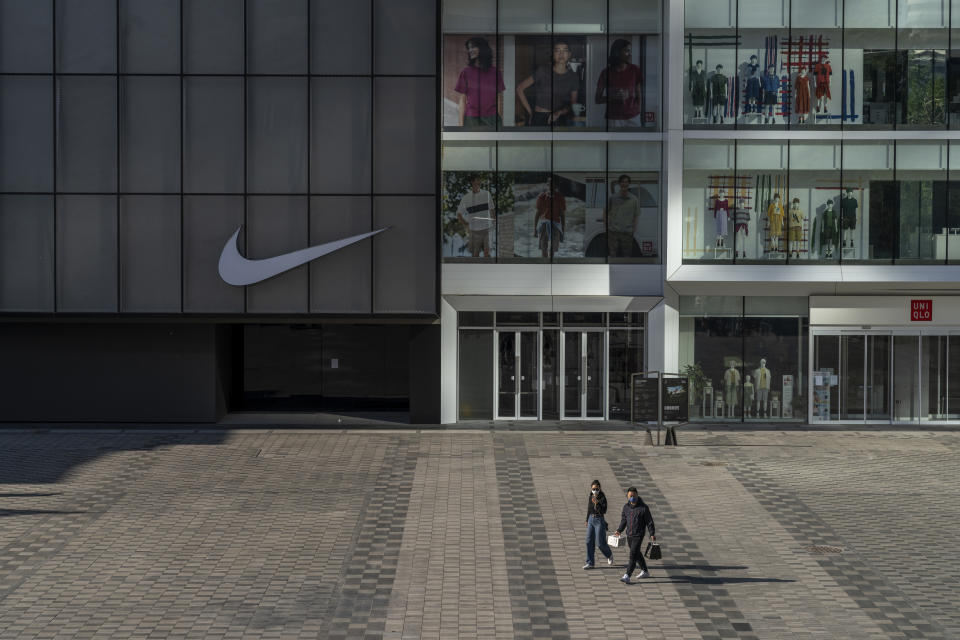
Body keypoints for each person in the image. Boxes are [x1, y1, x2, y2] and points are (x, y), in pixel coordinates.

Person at [517, 41, 579, 126]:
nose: (561, 54)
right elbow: (520, 88)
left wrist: (560, 112)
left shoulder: (573, 77)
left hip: (559, 118)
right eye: (557, 50)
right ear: (553, 54)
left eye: (564, 50)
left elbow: (573, 103)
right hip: (539, 118)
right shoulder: (543, 71)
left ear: (569, 54)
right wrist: (530, 112)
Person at [454, 37, 505, 128]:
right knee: (473, 143)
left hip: (492, 118)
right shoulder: (465, 72)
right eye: (469, 48)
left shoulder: (495, 72)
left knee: (492, 142)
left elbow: (499, 98)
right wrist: (461, 125)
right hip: (471, 118)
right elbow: (462, 99)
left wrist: (500, 118)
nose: (470, 50)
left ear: (482, 48)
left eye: (473, 47)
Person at [595, 39, 644, 128]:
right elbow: (597, 99)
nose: (630, 54)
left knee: (635, 141)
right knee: (614, 142)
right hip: (614, 118)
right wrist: (613, 97)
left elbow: (639, 94)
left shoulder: (634, 70)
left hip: (633, 117)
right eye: (627, 51)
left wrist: (638, 111)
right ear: (617, 52)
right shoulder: (606, 73)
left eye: (630, 51)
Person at [613, 487, 656, 584]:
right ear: (627, 497)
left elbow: (649, 522)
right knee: (637, 553)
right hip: (629, 535)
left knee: (632, 554)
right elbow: (624, 520)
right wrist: (619, 530)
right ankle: (645, 571)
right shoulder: (626, 507)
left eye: (634, 495)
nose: (632, 497)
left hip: (639, 535)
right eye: (630, 496)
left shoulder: (643, 508)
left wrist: (652, 533)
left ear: (637, 495)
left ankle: (627, 575)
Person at [456, 175, 495, 258]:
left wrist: (493, 223)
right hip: (474, 231)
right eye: (477, 180)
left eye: (479, 181)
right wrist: (466, 224)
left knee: (487, 254)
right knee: (475, 255)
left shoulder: (486, 194)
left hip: (487, 229)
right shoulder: (466, 198)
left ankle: (488, 270)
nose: (479, 182)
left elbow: (492, 210)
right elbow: (459, 214)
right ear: (472, 182)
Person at [605, 174, 640, 257]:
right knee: (613, 255)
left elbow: (636, 215)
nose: (625, 184)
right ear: (619, 183)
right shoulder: (612, 198)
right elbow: (605, 212)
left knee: (627, 256)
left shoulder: (634, 199)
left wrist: (633, 229)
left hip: (627, 233)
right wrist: (607, 226)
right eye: (623, 182)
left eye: (627, 182)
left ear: (629, 184)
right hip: (613, 232)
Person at [583, 480, 614, 569]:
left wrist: (597, 503)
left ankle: (609, 554)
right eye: (593, 489)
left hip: (599, 520)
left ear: (600, 488)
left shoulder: (602, 498)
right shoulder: (591, 496)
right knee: (589, 541)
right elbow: (589, 508)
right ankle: (590, 562)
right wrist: (587, 519)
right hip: (591, 519)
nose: (595, 490)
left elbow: (604, 510)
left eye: (596, 489)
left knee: (600, 543)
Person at [534, 182, 566, 258]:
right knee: (544, 249)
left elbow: (562, 215)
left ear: (556, 185)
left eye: (553, 184)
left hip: (556, 225)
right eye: (549, 184)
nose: (551, 186)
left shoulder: (560, 197)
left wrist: (563, 230)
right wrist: (535, 229)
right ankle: (545, 266)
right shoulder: (542, 197)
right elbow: (537, 214)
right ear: (547, 185)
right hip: (544, 224)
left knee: (552, 250)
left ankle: (550, 265)